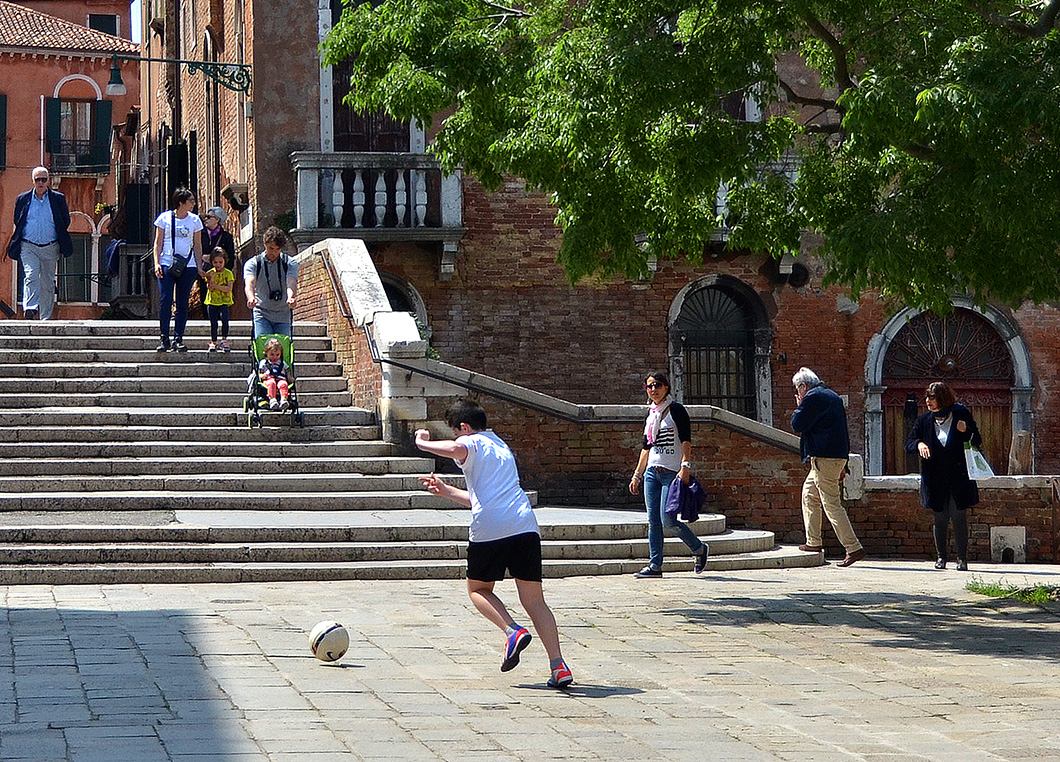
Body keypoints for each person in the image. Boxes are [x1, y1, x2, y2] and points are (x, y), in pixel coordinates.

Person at [415, 399, 574, 689]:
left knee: (478, 590)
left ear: (464, 427)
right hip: (524, 525)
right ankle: (558, 666)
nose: (455, 438)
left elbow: (456, 449)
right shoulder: (500, 445)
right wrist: (447, 491)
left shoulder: (471, 443)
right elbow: (484, 497)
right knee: (535, 601)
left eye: (456, 432)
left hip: (490, 529)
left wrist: (423, 443)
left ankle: (512, 631)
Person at [628, 371, 709, 578]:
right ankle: (655, 566)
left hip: (671, 473)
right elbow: (646, 447)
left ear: (666, 387)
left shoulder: (676, 410)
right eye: (650, 386)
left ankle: (699, 548)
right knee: (652, 521)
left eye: (657, 385)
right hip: (651, 474)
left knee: (668, 520)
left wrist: (686, 466)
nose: (653, 389)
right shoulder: (651, 415)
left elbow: (686, 440)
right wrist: (637, 474)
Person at [791, 367, 866, 567]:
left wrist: (799, 405)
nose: (797, 394)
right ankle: (813, 542)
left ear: (803, 386)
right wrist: (843, 463)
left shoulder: (812, 397)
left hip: (824, 459)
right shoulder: (832, 396)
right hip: (832, 458)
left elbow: (797, 424)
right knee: (809, 496)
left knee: (831, 504)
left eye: (797, 390)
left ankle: (853, 547)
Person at [905, 381, 981, 571]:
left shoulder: (960, 414)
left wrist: (966, 432)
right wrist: (919, 445)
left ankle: (962, 559)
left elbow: (977, 440)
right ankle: (941, 558)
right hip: (934, 477)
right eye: (927, 397)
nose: (928, 401)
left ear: (942, 398)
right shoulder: (924, 420)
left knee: (958, 516)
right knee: (940, 518)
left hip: (959, 476)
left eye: (932, 397)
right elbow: (909, 442)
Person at [5, 167, 73, 320]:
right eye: (38, 179)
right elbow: (18, 219)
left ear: (48, 180)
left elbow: (65, 220)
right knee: (30, 275)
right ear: (33, 181)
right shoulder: (23, 199)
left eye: (44, 179)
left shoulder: (58, 199)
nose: (41, 182)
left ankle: (45, 317)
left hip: (51, 245)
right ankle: (30, 309)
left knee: (48, 282)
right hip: (28, 245)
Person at [153, 187, 203, 352]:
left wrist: (199, 266)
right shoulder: (164, 218)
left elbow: (197, 245)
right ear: (181, 202)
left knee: (183, 303)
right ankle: (164, 337)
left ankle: (178, 338)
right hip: (167, 262)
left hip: (187, 265)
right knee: (165, 300)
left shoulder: (195, 221)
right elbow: (158, 243)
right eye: (191, 200)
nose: (194, 203)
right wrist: (157, 263)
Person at [243, 226, 297, 337]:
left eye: (278, 249)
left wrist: (291, 296)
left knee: (283, 349)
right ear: (265, 244)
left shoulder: (290, 263)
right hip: (262, 312)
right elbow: (250, 283)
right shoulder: (253, 263)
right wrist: (251, 297)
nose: (274, 253)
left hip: (283, 314)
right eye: (271, 248)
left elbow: (291, 281)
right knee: (263, 346)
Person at [196, 207, 236, 318]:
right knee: (205, 295)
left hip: (221, 273)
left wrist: (221, 266)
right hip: (205, 271)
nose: (206, 219)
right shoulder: (200, 234)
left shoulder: (226, 237)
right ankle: (207, 319)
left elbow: (231, 257)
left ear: (217, 219)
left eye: (209, 217)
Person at [204, 249, 234, 352]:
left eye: (220, 262)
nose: (218, 265)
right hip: (212, 301)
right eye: (215, 262)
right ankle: (213, 341)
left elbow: (229, 288)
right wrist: (211, 278)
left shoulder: (228, 273)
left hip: (224, 301)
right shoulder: (210, 273)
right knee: (213, 322)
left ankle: (224, 339)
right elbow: (210, 287)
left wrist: (216, 286)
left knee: (225, 320)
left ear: (225, 261)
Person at [257, 337, 293, 410]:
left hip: (280, 378)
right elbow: (260, 374)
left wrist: (289, 377)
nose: (275, 357)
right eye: (272, 354)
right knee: (271, 383)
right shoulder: (264, 362)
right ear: (266, 353)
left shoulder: (282, 363)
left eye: (277, 355)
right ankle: (272, 399)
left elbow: (287, 370)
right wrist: (263, 376)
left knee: (283, 384)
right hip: (269, 379)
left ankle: (284, 399)